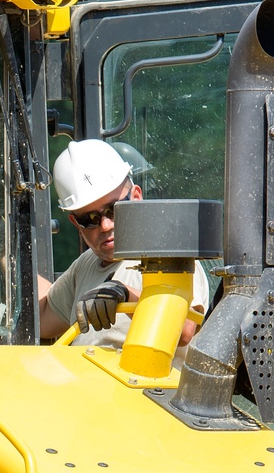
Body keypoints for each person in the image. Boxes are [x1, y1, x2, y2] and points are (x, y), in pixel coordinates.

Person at [38, 139, 208, 348]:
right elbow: (43, 316)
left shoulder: (168, 255)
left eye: (114, 209)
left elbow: (184, 329)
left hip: (143, 381)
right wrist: (8, 252)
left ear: (136, 197)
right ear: (76, 223)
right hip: (84, 378)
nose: (105, 225)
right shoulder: (86, 264)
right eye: (89, 219)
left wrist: (125, 294)